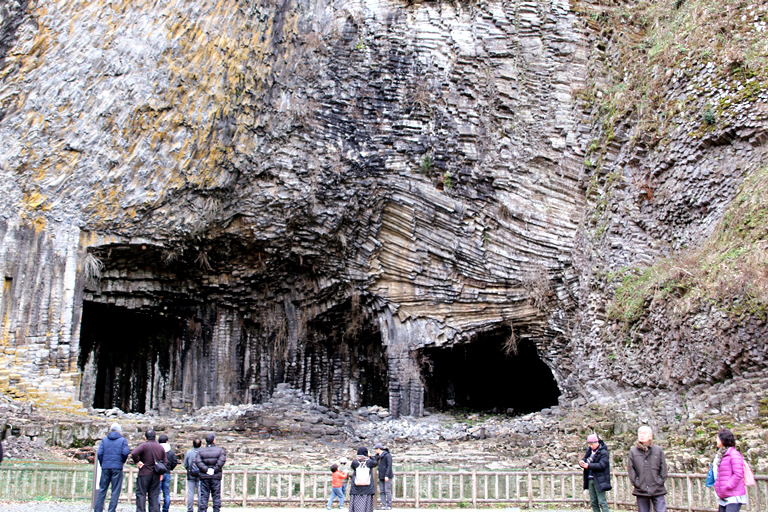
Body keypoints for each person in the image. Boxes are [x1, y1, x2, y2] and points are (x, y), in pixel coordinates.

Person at [628, 426, 668, 512]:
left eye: (644, 433)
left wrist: (659, 482)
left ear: (651, 436)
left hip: (657, 488)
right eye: (640, 433)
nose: (642, 435)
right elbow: (631, 470)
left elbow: (663, 469)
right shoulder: (633, 451)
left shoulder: (658, 450)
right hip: (641, 489)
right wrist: (637, 483)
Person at [94, 423, 130, 512]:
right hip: (117, 467)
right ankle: (111, 510)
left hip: (105, 467)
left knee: (102, 490)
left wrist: (103, 463)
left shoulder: (104, 440)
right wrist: (122, 461)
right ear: (119, 431)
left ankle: (98, 510)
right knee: (115, 490)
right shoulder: (123, 441)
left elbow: (99, 453)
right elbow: (125, 453)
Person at [130, 429, 167, 512]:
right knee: (154, 495)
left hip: (144, 472)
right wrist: (161, 473)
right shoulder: (160, 447)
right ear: (155, 437)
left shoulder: (144, 446)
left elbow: (134, 453)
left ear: (146, 438)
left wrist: (138, 462)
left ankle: (141, 510)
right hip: (156, 474)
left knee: (141, 494)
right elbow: (165, 462)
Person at [712, 428, 747, 512]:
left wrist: (728, 486)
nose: (716, 440)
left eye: (718, 438)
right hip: (724, 495)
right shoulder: (721, 454)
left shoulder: (733, 454)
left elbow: (738, 473)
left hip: (733, 495)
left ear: (723, 440)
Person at [195, 433, 226, 512]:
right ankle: (216, 510)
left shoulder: (201, 451)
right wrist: (214, 470)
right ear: (214, 441)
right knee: (216, 495)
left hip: (204, 476)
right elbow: (221, 461)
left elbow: (198, 461)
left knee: (204, 496)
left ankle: (203, 510)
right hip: (216, 476)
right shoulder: (220, 451)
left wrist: (206, 469)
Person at [580, 433, 611, 512]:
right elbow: (585, 458)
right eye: (589, 444)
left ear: (596, 442)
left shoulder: (603, 452)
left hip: (600, 480)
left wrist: (589, 466)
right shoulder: (589, 451)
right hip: (590, 478)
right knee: (593, 502)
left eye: (591, 444)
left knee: (602, 501)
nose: (590, 446)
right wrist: (582, 462)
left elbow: (602, 465)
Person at [349, 447, 378, 512]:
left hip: (356, 488)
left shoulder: (355, 462)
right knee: (366, 506)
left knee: (356, 505)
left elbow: (352, 467)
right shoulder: (369, 462)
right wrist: (370, 456)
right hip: (367, 488)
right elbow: (376, 462)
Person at [157, 434, 178, 512]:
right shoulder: (170, 451)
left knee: (157, 492)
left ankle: (157, 508)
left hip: (158, 473)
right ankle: (165, 509)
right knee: (166, 493)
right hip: (167, 472)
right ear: (166, 441)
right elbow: (175, 461)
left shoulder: (157, 450)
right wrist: (170, 468)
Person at [183, 438, 202, 512]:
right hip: (201, 474)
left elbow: (185, 464)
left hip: (191, 475)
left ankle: (190, 508)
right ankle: (200, 508)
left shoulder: (189, 453)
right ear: (201, 444)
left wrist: (188, 469)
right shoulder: (203, 452)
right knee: (200, 492)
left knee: (190, 493)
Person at [374, 443, 393, 510]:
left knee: (387, 490)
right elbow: (375, 463)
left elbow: (389, 465)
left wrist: (387, 475)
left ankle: (389, 505)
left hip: (387, 475)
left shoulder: (387, 455)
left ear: (379, 449)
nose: (375, 451)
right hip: (381, 475)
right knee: (382, 490)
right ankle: (383, 504)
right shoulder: (378, 456)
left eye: (376, 449)